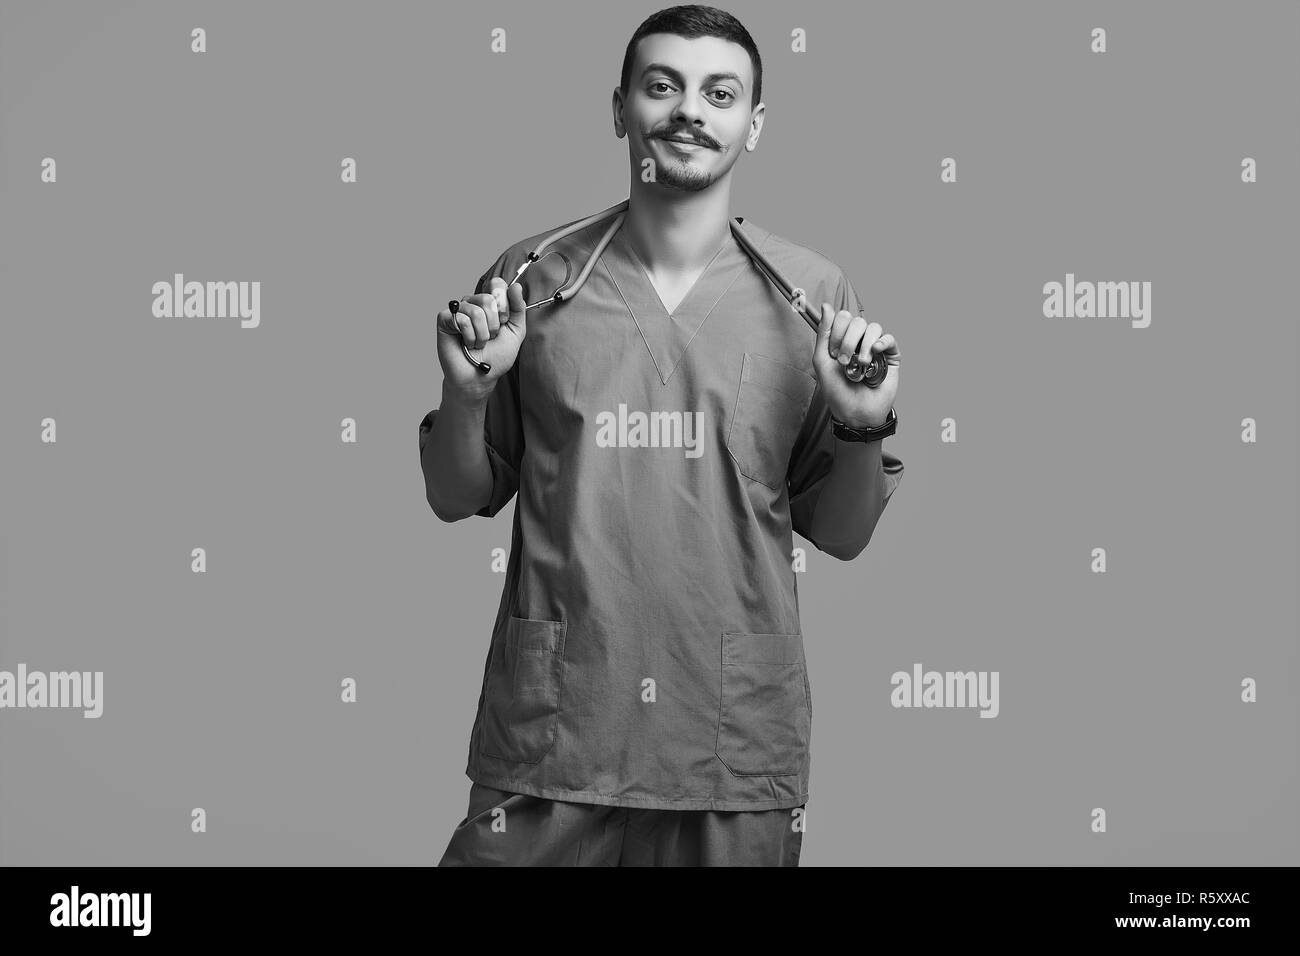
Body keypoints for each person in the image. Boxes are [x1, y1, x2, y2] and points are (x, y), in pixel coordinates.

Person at [419, 4, 903, 866]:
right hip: (556, 730)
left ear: (753, 126)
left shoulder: (813, 296)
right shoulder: (534, 278)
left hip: (730, 738)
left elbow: (845, 534)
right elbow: (456, 498)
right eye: (663, 85)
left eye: (720, 93)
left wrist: (863, 424)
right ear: (620, 110)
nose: (690, 109)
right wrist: (467, 394)